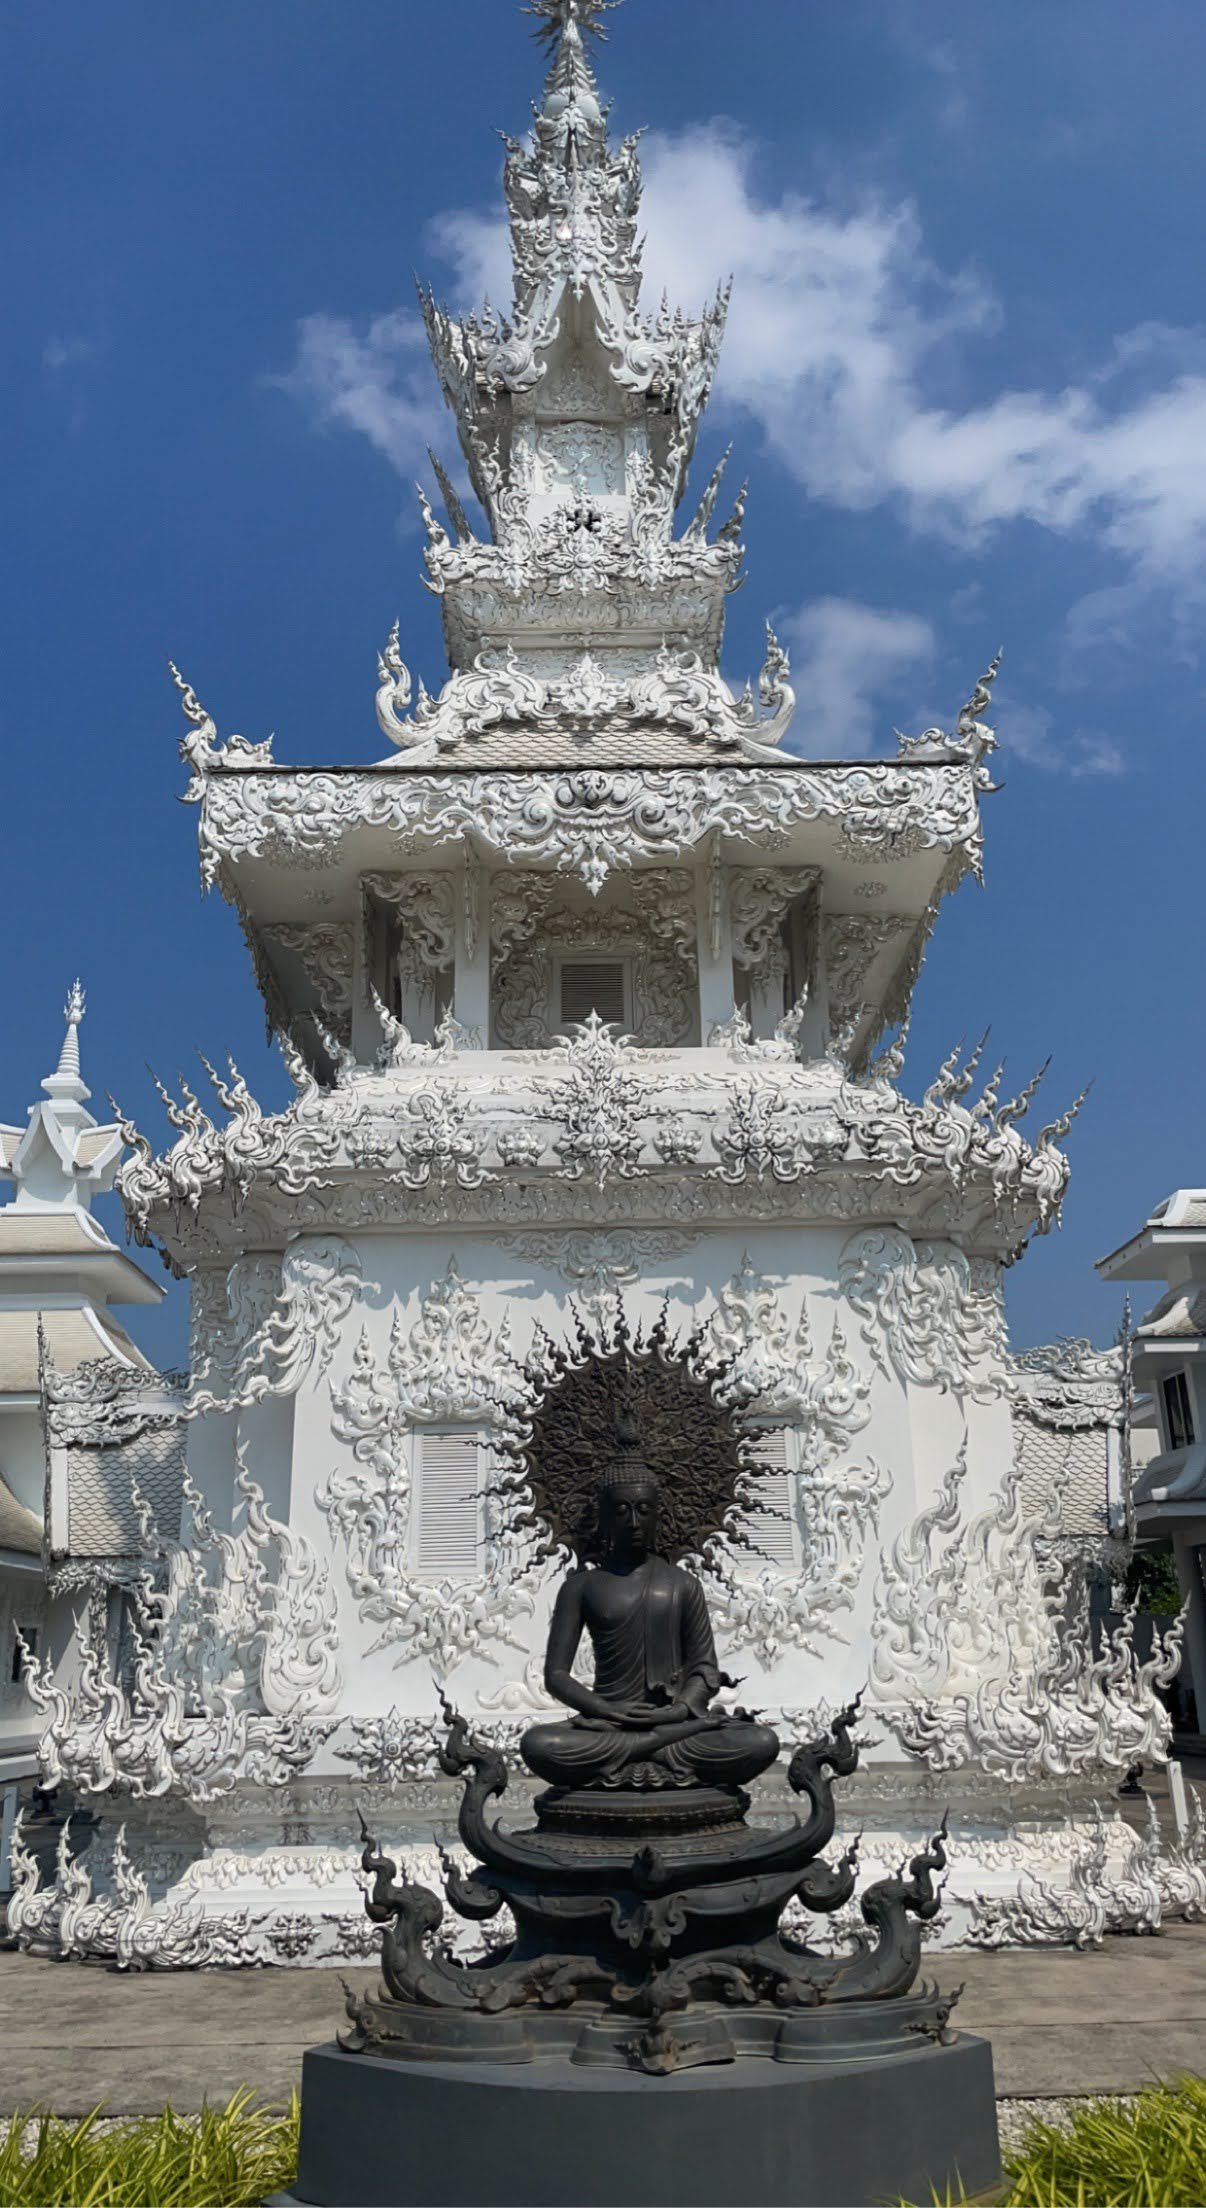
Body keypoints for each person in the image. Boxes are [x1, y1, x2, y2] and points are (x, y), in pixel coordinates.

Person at [521, 1453, 779, 1791]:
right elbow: (556, 1676)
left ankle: (639, 1753)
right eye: (621, 1510)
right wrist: (604, 1710)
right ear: (605, 1518)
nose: (633, 1521)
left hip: (672, 1725)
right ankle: (648, 1750)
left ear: (658, 1515)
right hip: (610, 1725)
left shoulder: (682, 1584)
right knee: (539, 1744)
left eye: (644, 1510)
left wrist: (677, 1711)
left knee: (761, 1741)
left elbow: (703, 1667)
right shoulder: (581, 1587)